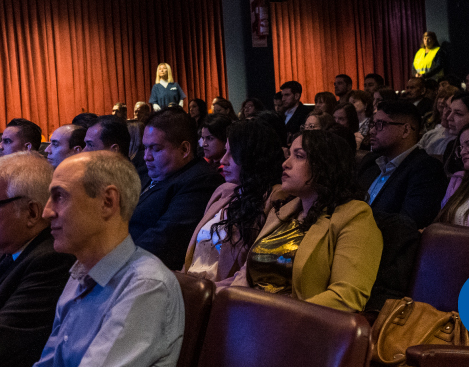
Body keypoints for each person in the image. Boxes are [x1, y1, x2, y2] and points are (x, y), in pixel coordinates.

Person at [36, 151, 184, 366]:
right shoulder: (80, 271)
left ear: (107, 202)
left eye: (59, 196)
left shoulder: (147, 286)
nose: (47, 212)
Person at [231, 130, 383, 312]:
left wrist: (276, 317)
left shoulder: (354, 216)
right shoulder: (282, 211)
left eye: (299, 156)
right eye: (289, 155)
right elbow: (246, 273)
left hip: (299, 327)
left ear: (325, 165)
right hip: (250, 317)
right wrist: (230, 304)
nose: (285, 164)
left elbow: (346, 297)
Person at [183, 120, 285, 285]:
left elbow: (251, 273)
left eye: (233, 154)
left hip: (224, 296)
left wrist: (203, 293)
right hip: (192, 287)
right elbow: (193, 258)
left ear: (252, 157)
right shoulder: (224, 191)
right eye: (225, 151)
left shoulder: (275, 199)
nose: (223, 160)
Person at [131, 108, 224, 270]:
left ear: (184, 150)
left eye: (156, 148)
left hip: (142, 270)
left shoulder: (200, 181)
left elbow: (164, 239)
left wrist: (110, 261)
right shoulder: (145, 170)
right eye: (145, 147)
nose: (146, 156)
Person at [359, 101, 447, 230]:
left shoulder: (427, 169)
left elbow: (407, 223)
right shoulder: (370, 162)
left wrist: (358, 220)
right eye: (372, 124)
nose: (372, 131)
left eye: (380, 125)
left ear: (406, 130)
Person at [418, 86, 460, 155]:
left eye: (457, 113)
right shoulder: (430, 134)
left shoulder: (461, 142)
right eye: (446, 107)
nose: (446, 114)